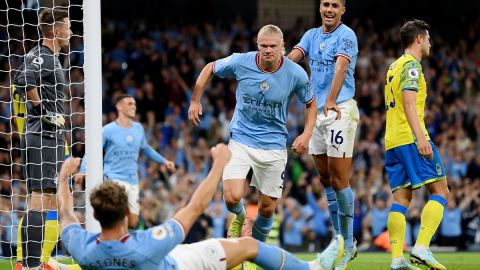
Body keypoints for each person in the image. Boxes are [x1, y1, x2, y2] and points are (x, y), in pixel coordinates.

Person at [57, 145, 344, 270]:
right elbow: (195, 207)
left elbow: (66, 214)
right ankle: (313, 268)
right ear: (128, 215)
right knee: (248, 246)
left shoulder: (84, 248)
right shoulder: (147, 244)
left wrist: (62, 177)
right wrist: (220, 163)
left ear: (94, 215)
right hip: (179, 264)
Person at [188, 24, 317, 269]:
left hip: (274, 145)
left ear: (282, 47)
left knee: (267, 209)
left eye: (272, 46)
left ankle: (254, 258)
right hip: (241, 139)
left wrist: (307, 134)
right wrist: (195, 100)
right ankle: (240, 216)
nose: (267, 50)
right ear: (258, 45)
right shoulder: (241, 62)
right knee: (231, 197)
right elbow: (210, 68)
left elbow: (311, 103)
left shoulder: (296, 73)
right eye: (263, 46)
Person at [287, 0, 359, 268]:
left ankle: (348, 244)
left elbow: (340, 67)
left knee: (340, 179)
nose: (330, 9)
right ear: (320, 8)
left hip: (339, 109)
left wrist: (330, 99)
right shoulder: (311, 35)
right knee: (325, 179)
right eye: (326, 4)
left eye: (335, 5)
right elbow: (293, 59)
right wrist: (271, 66)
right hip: (316, 113)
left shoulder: (346, 35)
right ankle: (338, 241)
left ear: (343, 10)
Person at [384, 19, 449, 270]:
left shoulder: (393, 67)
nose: (430, 43)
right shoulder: (412, 66)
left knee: (401, 198)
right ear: (419, 39)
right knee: (441, 191)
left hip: (392, 140)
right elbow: (409, 103)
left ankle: (397, 259)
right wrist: (421, 137)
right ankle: (421, 247)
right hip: (410, 137)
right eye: (429, 39)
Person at [11, 7, 72, 269]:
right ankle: (31, 265)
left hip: (50, 136)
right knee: (39, 198)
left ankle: (32, 262)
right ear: (56, 31)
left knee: (47, 198)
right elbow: (22, 79)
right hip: (43, 134)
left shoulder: (53, 59)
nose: (71, 31)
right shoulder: (42, 56)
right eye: (68, 27)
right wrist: (42, 111)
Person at [78, 94, 176, 228]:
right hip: (113, 179)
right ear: (119, 106)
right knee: (117, 217)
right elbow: (92, 151)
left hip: (133, 181)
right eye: (130, 103)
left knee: (133, 221)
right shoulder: (108, 130)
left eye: (134, 104)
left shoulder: (138, 129)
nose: (133, 106)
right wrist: (82, 170)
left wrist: (164, 161)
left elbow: (146, 148)